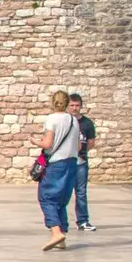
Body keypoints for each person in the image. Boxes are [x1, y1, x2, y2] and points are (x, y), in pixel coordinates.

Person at [39, 90, 84, 249]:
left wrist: (34, 141)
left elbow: (47, 144)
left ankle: (56, 232)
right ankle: (62, 237)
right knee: (61, 200)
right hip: (72, 162)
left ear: (53, 102)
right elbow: (79, 146)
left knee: (47, 197)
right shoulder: (73, 120)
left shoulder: (52, 119)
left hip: (56, 163)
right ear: (67, 103)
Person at [67, 93, 96, 232]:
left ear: (81, 106)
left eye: (77, 105)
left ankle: (83, 221)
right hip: (65, 160)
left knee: (81, 191)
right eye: (72, 105)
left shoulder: (87, 123)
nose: (74, 108)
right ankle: (59, 222)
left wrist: (82, 152)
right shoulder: (64, 121)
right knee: (62, 191)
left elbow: (91, 142)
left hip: (81, 161)